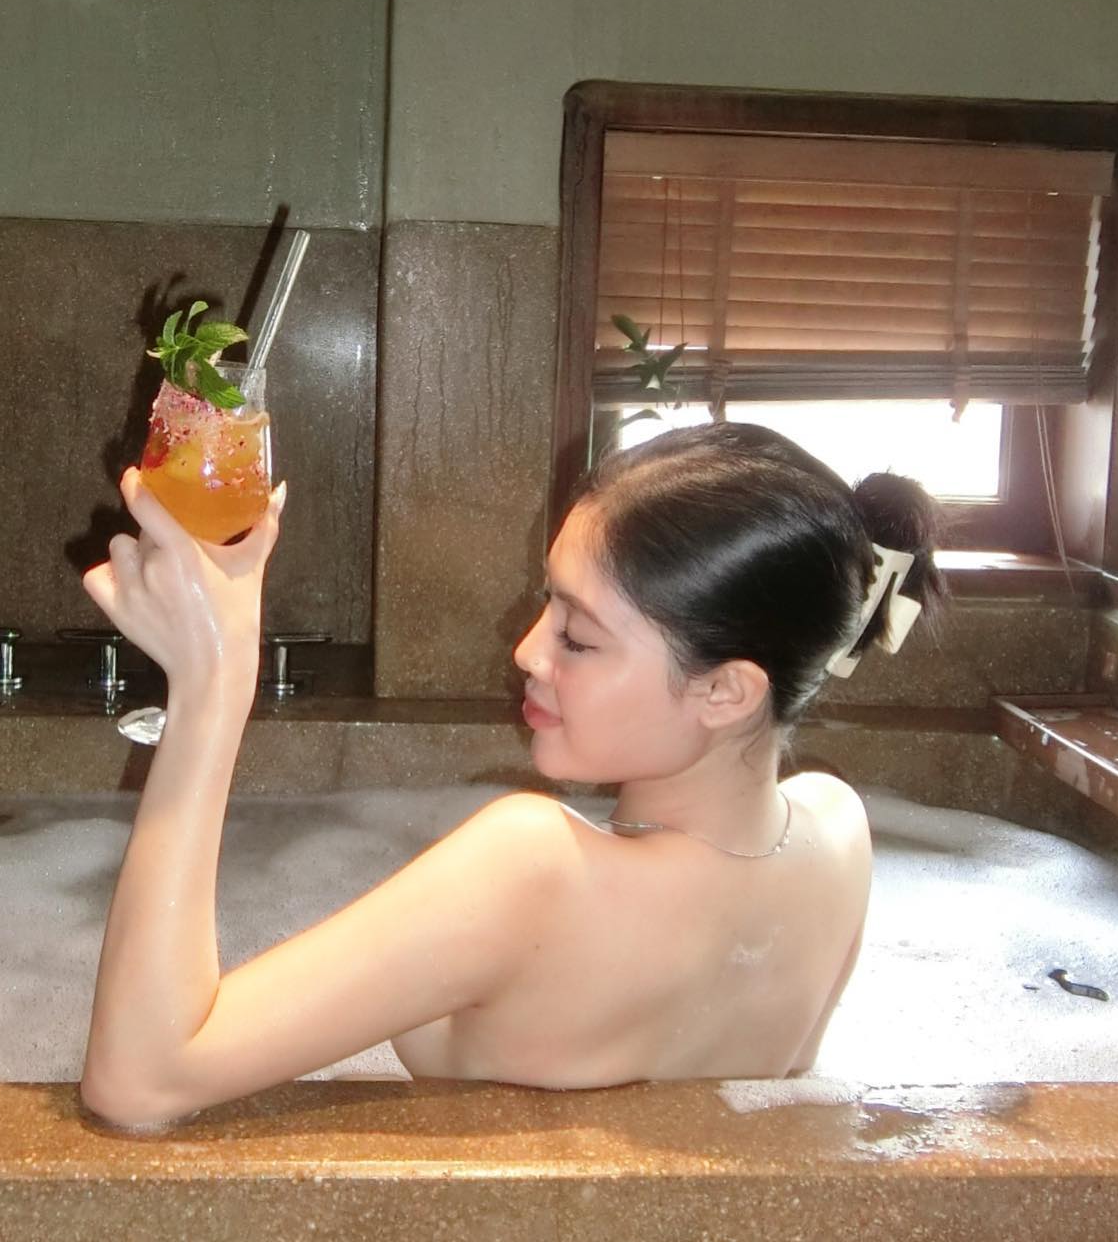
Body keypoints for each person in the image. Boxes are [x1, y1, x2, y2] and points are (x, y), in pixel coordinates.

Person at [78, 422, 942, 1129]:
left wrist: (213, 685)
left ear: (724, 690)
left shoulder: (535, 869)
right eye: (547, 604)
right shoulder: (837, 831)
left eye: (579, 637)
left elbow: (142, 1079)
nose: (528, 650)